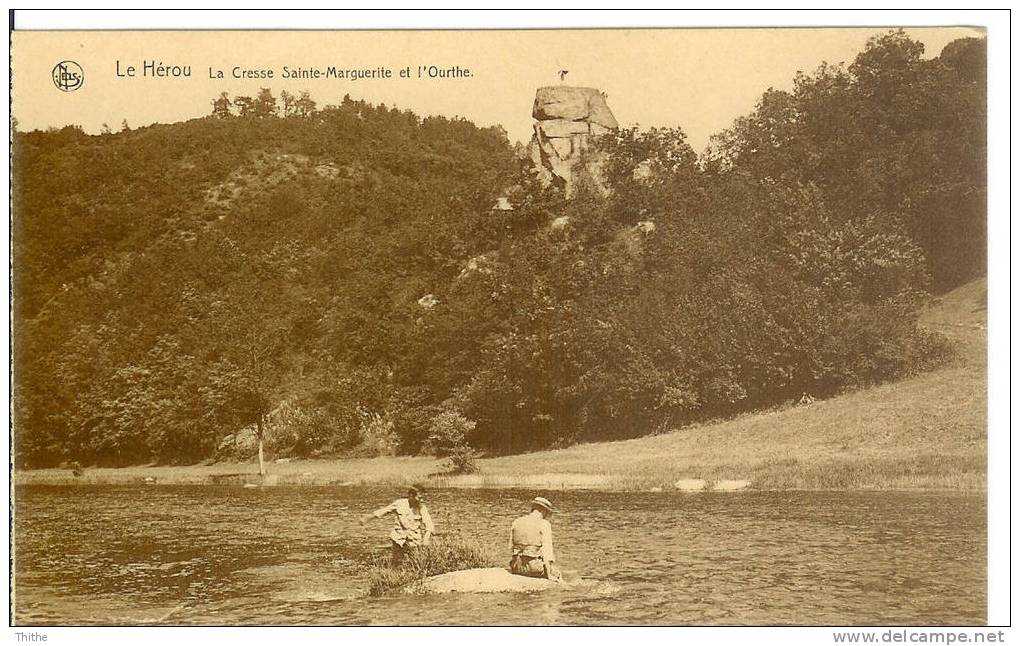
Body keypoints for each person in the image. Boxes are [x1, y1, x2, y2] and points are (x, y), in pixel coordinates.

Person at [360, 485, 435, 565]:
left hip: (414, 540)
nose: (421, 500)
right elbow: (384, 511)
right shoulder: (399, 503)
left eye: (422, 498)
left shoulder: (422, 507)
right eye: (419, 497)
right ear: (411, 496)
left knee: (416, 563)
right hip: (398, 539)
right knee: (396, 563)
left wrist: (425, 539)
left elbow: (429, 524)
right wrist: (367, 518)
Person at [509, 496, 561, 581]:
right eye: (547, 513)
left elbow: (511, 547)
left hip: (516, 567)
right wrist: (549, 575)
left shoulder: (516, 521)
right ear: (543, 511)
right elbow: (547, 552)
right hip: (533, 568)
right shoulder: (544, 524)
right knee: (557, 572)